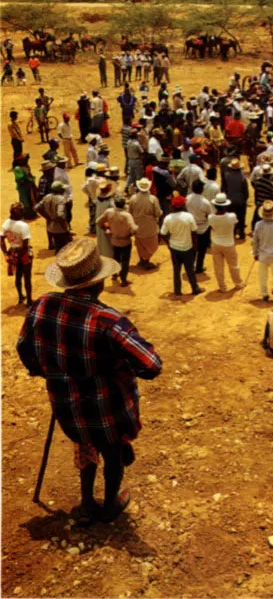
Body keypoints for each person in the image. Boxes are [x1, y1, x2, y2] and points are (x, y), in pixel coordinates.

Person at [17, 237, 162, 524]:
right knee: (112, 451)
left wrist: (46, 370)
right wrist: (119, 365)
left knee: (84, 443)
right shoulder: (108, 320)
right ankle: (109, 505)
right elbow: (151, 365)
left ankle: (86, 501)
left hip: (68, 408)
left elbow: (24, 348)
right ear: (99, 283)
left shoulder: (42, 306)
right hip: (107, 409)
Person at [160, 195, 203, 296]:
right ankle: (195, 288)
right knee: (190, 270)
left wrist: (168, 243)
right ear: (183, 205)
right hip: (187, 247)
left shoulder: (168, 218)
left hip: (174, 248)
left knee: (176, 270)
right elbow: (194, 232)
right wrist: (195, 245)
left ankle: (177, 290)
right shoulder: (188, 216)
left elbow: (163, 233)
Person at [97, 195, 138, 287]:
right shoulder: (126, 215)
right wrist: (130, 234)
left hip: (114, 239)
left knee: (116, 257)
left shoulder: (109, 212)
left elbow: (98, 222)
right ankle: (123, 279)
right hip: (125, 241)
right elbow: (134, 229)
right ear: (123, 205)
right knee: (125, 260)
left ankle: (114, 274)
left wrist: (106, 229)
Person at [208, 193, 244, 292]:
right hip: (229, 243)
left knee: (218, 267)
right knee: (233, 265)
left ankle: (222, 286)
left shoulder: (211, 217)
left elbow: (212, 228)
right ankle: (238, 283)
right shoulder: (232, 216)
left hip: (216, 243)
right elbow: (235, 225)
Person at [252, 200, 273, 301]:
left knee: (262, 276)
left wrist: (255, 253)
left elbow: (255, 241)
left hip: (263, 255)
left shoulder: (258, 225)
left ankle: (264, 294)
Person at [1, 202, 33, 306]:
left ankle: (20, 297)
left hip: (13, 252)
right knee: (27, 277)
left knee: (18, 276)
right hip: (23, 253)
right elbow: (25, 244)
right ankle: (29, 300)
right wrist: (21, 255)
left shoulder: (6, 224)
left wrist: (6, 253)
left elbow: (1, 240)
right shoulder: (23, 226)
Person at [129, 178, 161, 270]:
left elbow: (130, 212)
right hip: (150, 226)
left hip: (137, 225)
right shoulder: (153, 199)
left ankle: (142, 260)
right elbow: (158, 213)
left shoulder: (133, 198)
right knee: (151, 244)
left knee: (140, 243)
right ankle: (146, 261)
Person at [186, 179, 214, 274]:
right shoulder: (205, 202)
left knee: (191, 248)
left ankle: (190, 266)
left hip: (190, 227)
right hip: (203, 228)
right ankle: (199, 267)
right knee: (202, 250)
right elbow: (210, 215)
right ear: (201, 189)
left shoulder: (187, 198)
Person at [35, 181, 71, 252]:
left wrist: (47, 217)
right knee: (63, 250)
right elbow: (60, 215)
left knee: (58, 248)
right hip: (60, 230)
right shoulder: (61, 199)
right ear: (60, 190)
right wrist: (65, 228)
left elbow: (37, 207)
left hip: (50, 228)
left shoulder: (47, 197)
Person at [221, 158, 249, 239]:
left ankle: (232, 233)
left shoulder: (226, 175)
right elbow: (245, 191)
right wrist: (244, 199)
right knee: (241, 217)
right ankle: (241, 233)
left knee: (231, 217)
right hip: (240, 200)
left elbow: (224, 188)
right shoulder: (242, 177)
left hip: (229, 200)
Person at [13, 154, 38, 219]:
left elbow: (30, 175)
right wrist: (28, 178)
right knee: (25, 201)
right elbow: (19, 178)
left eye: (27, 159)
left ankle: (33, 213)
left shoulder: (27, 166)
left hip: (30, 186)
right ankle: (27, 215)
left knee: (32, 199)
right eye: (25, 160)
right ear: (20, 161)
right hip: (23, 187)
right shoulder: (17, 169)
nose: (26, 161)